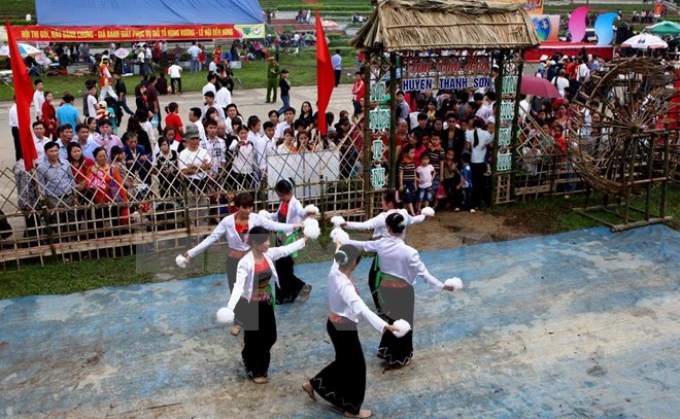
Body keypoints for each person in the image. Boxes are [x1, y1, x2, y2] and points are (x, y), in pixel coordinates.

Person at [341, 213, 457, 367]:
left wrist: (342, 240)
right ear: (404, 229)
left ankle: (385, 349)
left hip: (384, 289)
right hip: (403, 291)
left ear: (388, 229)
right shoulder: (410, 252)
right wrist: (443, 286)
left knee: (393, 318)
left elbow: (361, 245)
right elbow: (424, 274)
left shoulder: (381, 244)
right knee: (405, 323)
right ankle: (399, 357)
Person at [301, 244, 401, 419]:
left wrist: (339, 247)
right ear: (354, 263)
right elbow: (362, 309)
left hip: (334, 324)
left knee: (344, 362)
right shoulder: (345, 286)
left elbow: (335, 260)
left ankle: (313, 384)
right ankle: (351, 409)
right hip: (343, 328)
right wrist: (384, 326)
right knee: (357, 368)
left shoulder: (335, 272)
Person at [184, 193, 300, 335]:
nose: (249, 210)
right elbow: (212, 238)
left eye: (251, 206)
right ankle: (238, 322)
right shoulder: (227, 221)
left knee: (253, 291)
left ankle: (256, 320)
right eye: (245, 207)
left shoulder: (256, 218)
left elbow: (274, 225)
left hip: (253, 260)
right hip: (234, 262)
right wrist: (192, 252)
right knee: (237, 291)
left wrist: (295, 225)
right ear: (237, 207)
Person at [218, 226, 307, 384]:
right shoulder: (245, 262)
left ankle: (248, 351)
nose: (267, 243)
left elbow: (285, 250)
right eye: (264, 241)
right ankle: (255, 370)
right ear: (254, 243)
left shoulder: (268, 254)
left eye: (267, 239)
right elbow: (238, 286)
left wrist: (304, 239)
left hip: (266, 303)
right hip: (250, 305)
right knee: (256, 339)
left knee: (270, 336)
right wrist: (230, 308)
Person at [342, 189, 427, 313]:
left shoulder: (384, 217)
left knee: (374, 280)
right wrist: (425, 216)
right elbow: (415, 220)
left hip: (384, 253)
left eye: (382, 200)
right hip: (399, 252)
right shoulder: (403, 213)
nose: (381, 202)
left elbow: (365, 225)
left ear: (390, 203)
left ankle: (383, 308)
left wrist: (345, 224)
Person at [261, 179, 314, 304]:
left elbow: (302, 213)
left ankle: (303, 288)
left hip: (290, 240)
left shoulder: (295, 204)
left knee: (286, 270)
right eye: (279, 195)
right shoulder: (283, 203)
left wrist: (308, 212)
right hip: (280, 238)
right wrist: (267, 216)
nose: (280, 198)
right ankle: (283, 297)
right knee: (280, 270)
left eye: (282, 195)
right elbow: (278, 216)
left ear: (289, 192)